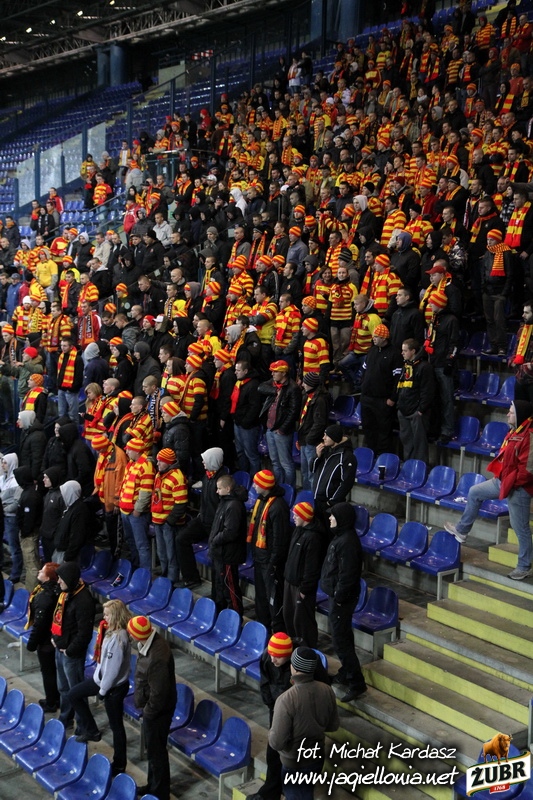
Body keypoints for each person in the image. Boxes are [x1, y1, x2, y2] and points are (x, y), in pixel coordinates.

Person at [445, 400, 533, 580]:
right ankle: (462, 530)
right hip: (504, 480)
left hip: (519, 488)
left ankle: (524, 566)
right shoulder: (515, 431)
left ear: (520, 415)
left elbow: (528, 471)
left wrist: (511, 482)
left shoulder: (529, 435)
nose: (507, 414)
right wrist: (502, 476)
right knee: (475, 492)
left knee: (520, 528)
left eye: (511, 412)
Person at [68, 599, 131, 775]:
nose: (104, 618)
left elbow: (112, 669)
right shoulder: (111, 631)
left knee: (116, 726)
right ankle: (91, 730)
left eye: (107, 615)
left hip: (113, 687)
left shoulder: (119, 638)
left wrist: (103, 691)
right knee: (74, 695)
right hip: (102, 681)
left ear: (116, 616)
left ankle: (119, 764)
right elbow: (104, 665)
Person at [268, 647, 339, 800]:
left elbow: (276, 742)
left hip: (294, 763)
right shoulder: (327, 690)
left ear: (294, 668)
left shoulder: (286, 699)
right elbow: (333, 726)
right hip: (317, 757)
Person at [320, 502, 367, 703]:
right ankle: (346, 672)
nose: (330, 518)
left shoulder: (347, 542)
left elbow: (347, 575)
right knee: (342, 638)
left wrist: (338, 597)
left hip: (342, 599)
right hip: (338, 597)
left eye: (333, 516)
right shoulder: (341, 537)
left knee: (341, 642)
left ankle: (356, 683)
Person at [128, 615, 177, 800]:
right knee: (153, 752)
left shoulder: (157, 657)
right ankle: (152, 785)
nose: (130, 636)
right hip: (153, 708)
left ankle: (160, 793)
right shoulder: (149, 642)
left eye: (131, 633)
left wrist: (148, 713)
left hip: (158, 712)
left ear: (138, 635)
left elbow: (159, 693)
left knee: (157, 753)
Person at [51, 561, 96, 729]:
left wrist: (69, 651)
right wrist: (54, 638)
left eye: (61, 578)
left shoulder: (84, 601)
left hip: (72, 655)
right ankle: (65, 719)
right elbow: (57, 618)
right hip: (59, 648)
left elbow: (84, 634)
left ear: (69, 578)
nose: (58, 581)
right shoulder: (65, 594)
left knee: (76, 692)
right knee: (63, 688)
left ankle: (83, 726)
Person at [175, 446, 225, 588]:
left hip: (215, 525)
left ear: (213, 460)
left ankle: (218, 590)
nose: (203, 462)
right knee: (181, 539)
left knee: (216, 555)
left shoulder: (223, 481)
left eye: (205, 460)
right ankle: (191, 578)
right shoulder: (207, 476)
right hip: (203, 520)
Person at [248, 469, 291, 633]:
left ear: (264, 486)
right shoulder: (261, 501)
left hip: (270, 562)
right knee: (261, 595)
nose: (253, 486)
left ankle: (277, 630)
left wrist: (273, 562)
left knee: (273, 597)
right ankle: (262, 626)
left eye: (256, 483)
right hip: (260, 557)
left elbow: (280, 539)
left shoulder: (278, 507)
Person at [283, 502, 325, 648]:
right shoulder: (298, 530)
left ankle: (307, 651)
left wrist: (305, 589)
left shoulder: (314, 538)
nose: (293, 517)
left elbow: (312, 567)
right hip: (290, 582)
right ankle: (294, 649)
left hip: (301, 588)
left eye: (296, 515)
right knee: (289, 617)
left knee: (302, 622)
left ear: (304, 517)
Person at [208, 474, 247, 617]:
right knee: (220, 588)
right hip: (220, 553)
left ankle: (235, 618)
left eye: (219, 488)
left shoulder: (234, 505)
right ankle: (222, 616)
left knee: (230, 589)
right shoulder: (225, 502)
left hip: (228, 554)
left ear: (228, 488)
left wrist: (215, 540)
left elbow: (230, 532)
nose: (217, 491)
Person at [259, 360, 302, 487]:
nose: (272, 374)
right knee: (275, 462)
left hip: (281, 432)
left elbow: (294, 412)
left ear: (283, 373)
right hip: (270, 428)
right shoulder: (274, 384)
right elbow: (260, 387)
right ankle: (279, 487)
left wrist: (282, 429)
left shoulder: (293, 388)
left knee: (286, 463)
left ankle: (289, 489)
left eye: (275, 372)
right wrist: (274, 391)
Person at [26, 562, 61, 713]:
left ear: (48, 577)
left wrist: (31, 643)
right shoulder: (58, 591)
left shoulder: (45, 597)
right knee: (53, 672)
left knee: (48, 673)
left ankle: (51, 702)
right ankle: (55, 699)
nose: (39, 571)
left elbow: (39, 624)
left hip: (46, 641)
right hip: (54, 638)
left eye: (42, 571)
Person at [151, 448, 188, 585]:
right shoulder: (159, 474)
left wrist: (169, 521)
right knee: (162, 552)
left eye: (160, 461)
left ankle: (172, 580)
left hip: (169, 523)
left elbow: (181, 503)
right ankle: (165, 575)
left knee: (171, 553)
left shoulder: (177, 477)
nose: (157, 463)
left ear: (168, 462)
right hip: (158, 520)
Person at [119, 437, 155, 572]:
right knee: (131, 542)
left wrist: (138, 510)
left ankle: (145, 574)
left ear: (137, 451)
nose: (127, 452)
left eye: (129, 450)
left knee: (142, 545)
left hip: (136, 514)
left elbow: (146, 492)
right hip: (125, 510)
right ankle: (135, 570)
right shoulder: (131, 464)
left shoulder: (146, 466)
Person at [396, 339, 435, 463]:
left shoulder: (424, 367)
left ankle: (420, 469)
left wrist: (420, 410)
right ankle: (408, 467)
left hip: (416, 413)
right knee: (407, 443)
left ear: (413, 351)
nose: (402, 353)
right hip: (404, 410)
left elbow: (427, 391)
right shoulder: (406, 366)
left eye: (405, 351)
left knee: (419, 445)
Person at [311, 424, 357, 529]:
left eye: (326, 435)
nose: (323, 438)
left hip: (331, 504)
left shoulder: (347, 457)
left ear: (334, 438)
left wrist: (331, 502)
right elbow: (312, 469)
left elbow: (346, 483)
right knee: (319, 532)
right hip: (318, 500)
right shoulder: (325, 451)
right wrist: (317, 456)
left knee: (329, 533)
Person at [52, 481, 89, 564]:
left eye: (64, 492)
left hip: (66, 555)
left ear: (70, 492)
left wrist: (68, 557)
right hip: (60, 551)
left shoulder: (79, 510)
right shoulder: (69, 508)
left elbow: (77, 536)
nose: (62, 495)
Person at [0, 453, 23, 583]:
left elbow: (16, 503)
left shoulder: (16, 481)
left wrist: (3, 509)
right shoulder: (3, 478)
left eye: (5, 463)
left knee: (14, 547)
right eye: (2, 462)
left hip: (11, 517)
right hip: (3, 515)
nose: (2, 465)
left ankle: (15, 574)